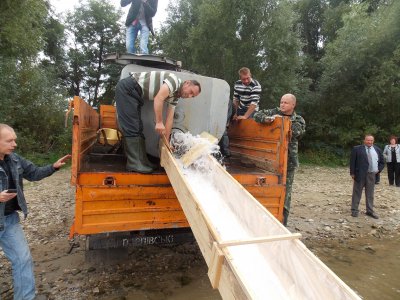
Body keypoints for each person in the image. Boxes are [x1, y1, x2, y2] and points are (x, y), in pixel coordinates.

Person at [0, 124, 71, 300]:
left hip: (8, 220)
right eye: (10, 141)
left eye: (14, 139)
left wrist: (53, 167)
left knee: (23, 260)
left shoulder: (14, 159)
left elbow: (34, 173)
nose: (14, 144)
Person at [115, 71, 201, 173]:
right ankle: (134, 164)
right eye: (191, 92)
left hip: (135, 94)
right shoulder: (174, 81)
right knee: (132, 127)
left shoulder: (175, 96)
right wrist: (159, 122)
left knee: (138, 127)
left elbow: (170, 118)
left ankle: (142, 161)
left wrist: (167, 142)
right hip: (128, 89)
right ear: (187, 83)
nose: (189, 96)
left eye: (193, 96)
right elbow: (158, 98)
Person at [254, 94, 306, 226]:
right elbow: (256, 115)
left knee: (285, 193)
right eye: (281, 102)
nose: (282, 105)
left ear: (293, 105)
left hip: (288, 162)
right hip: (270, 160)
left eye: (286, 103)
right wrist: (267, 119)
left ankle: (283, 223)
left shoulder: (298, 120)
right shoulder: (273, 112)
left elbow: (295, 132)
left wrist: (279, 120)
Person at [350, 134, 384, 219]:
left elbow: (382, 162)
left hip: (372, 174)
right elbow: (352, 162)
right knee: (357, 193)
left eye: (371, 140)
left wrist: (378, 170)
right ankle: (354, 210)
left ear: (373, 141)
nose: (369, 142)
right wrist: (352, 173)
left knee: (370, 194)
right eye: (368, 140)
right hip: (360, 174)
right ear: (364, 140)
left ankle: (369, 211)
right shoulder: (357, 149)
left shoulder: (377, 149)